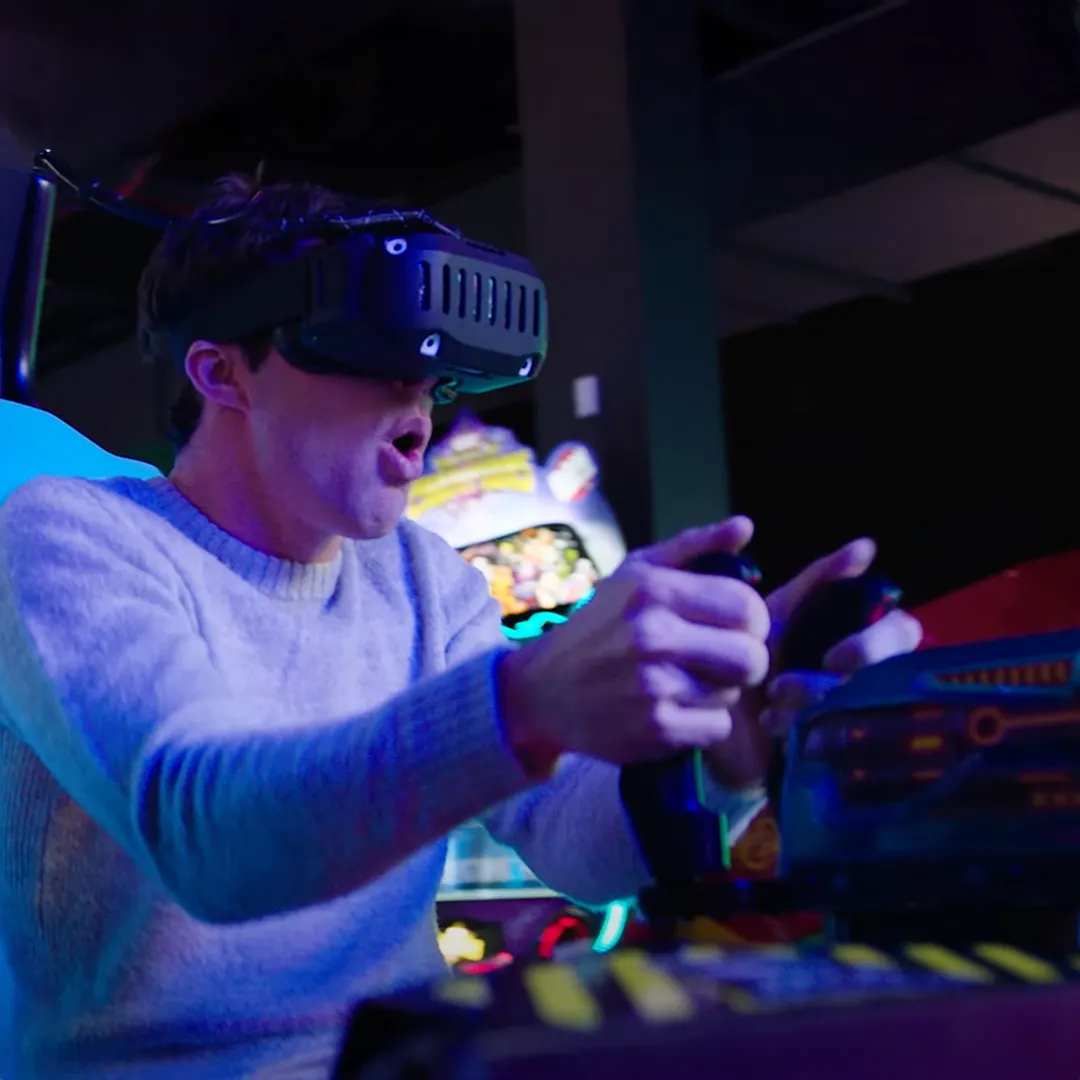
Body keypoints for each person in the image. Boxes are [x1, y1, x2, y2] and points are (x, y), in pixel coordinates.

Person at [0, 176, 922, 1079]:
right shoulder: (72, 535)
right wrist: (524, 703)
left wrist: (730, 749)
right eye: (371, 346)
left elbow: (570, 841)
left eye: (431, 367)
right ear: (222, 372)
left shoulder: (421, 575)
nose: (421, 391)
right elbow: (207, 838)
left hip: (407, 1054)